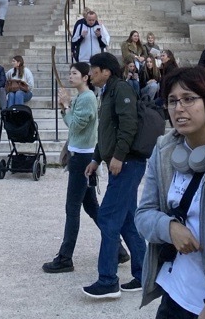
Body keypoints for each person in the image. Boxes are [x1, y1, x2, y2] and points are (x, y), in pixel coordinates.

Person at [135, 66, 205, 319]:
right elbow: (143, 214)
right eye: (172, 101)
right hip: (175, 292)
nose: (179, 108)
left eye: (188, 99)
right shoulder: (163, 150)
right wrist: (169, 227)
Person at [82, 51, 146, 300]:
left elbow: (128, 125)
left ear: (106, 71)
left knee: (108, 217)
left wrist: (118, 156)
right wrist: (97, 158)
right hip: (121, 162)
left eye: (94, 71)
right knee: (128, 220)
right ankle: (143, 274)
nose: (91, 75)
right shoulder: (108, 91)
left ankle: (108, 280)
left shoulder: (120, 90)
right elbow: (106, 129)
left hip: (127, 162)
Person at [43, 61, 101, 273]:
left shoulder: (86, 98)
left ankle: (65, 257)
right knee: (91, 207)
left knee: (72, 208)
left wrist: (66, 106)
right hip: (81, 155)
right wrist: (64, 107)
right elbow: (73, 124)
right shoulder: (83, 97)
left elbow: (75, 126)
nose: (70, 76)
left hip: (82, 159)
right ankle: (118, 249)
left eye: (75, 73)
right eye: (69, 73)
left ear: (85, 77)